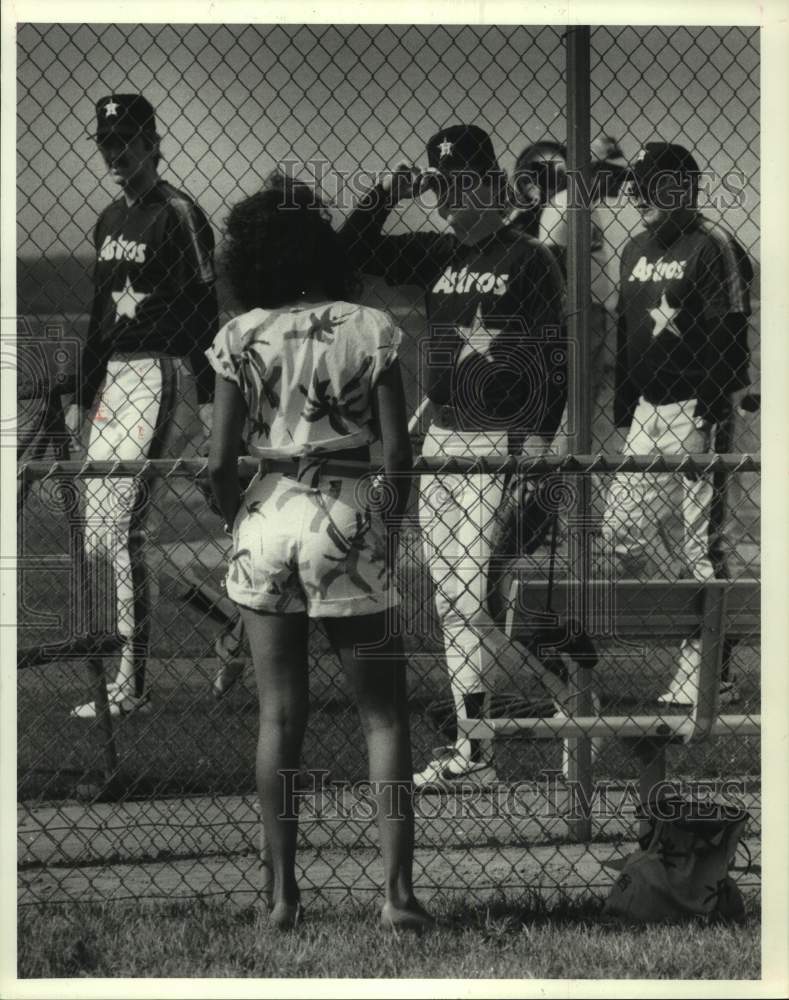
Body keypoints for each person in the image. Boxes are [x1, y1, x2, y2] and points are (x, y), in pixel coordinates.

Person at [206, 171, 431, 932]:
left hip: (268, 512)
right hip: (348, 510)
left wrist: (239, 511)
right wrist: (386, 525)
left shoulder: (241, 336)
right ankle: (396, 897)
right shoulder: (370, 327)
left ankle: (281, 899)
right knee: (384, 718)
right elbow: (397, 455)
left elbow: (218, 463)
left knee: (278, 718)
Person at [343, 124, 578, 790]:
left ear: (487, 184)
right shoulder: (435, 253)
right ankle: (475, 753)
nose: (444, 197)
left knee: (480, 595)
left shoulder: (529, 257)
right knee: (452, 600)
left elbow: (552, 356)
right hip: (443, 440)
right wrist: (390, 192)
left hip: (499, 439)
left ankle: (567, 695)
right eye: (438, 184)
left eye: (456, 184)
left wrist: (537, 437)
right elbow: (352, 249)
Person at [66, 94, 218, 718]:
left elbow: (205, 311)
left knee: (126, 525)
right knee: (105, 537)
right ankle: (226, 619)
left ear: (153, 141)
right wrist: (83, 392)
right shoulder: (107, 221)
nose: (115, 153)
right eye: (106, 143)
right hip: (115, 383)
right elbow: (100, 319)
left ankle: (135, 685)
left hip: (163, 371)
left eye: (126, 140)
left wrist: (210, 396)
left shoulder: (178, 213)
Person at [602, 142, 752, 707]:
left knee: (700, 541)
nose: (637, 193)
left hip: (696, 407)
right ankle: (712, 624)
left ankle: (712, 670)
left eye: (651, 183)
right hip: (647, 410)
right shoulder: (634, 248)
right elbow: (625, 330)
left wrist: (712, 407)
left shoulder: (712, 245)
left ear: (682, 188)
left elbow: (730, 329)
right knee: (620, 532)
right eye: (635, 183)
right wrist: (624, 407)